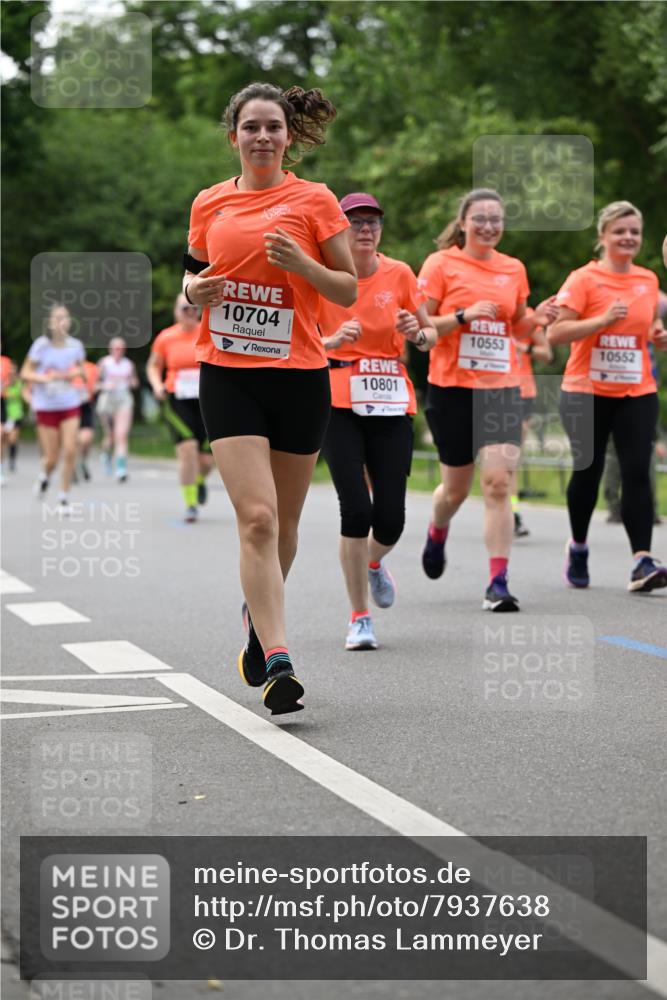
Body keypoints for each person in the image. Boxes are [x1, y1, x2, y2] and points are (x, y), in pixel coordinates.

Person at [183, 82, 356, 714]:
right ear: (234, 136)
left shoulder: (314, 200)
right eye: (251, 127)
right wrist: (193, 291)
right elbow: (192, 269)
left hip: (299, 374)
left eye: (274, 127)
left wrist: (303, 266)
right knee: (255, 518)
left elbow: (346, 290)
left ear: (289, 137)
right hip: (227, 371)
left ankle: (259, 624)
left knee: (284, 521)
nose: (263, 137)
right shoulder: (210, 203)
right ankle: (279, 660)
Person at [418, 188, 553, 611]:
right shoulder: (440, 264)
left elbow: (517, 328)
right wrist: (463, 316)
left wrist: (539, 319)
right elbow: (421, 328)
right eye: (481, 218)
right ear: (463, 222)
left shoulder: (514, 269)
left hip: (502, 389)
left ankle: (498, 581)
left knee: (497, 483)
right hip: (452, 388)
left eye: (497, 219)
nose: (489, 226)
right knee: (455, 491)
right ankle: (438, 529)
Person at [318, 192, 436, 650]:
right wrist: (331, 339)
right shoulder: (325, 275)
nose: (365, 230)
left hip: (390, 399)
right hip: (338, 399)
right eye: (356, 222)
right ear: (340, 229)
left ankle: (372, 562)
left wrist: (416, 333)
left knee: (390, 520)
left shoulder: (400, 273)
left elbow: (428, 335)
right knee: (355, 510)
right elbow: (302, 334)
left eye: (373, 222)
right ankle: (359, 616)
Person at [549, 200, 667, 592]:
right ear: (602, 237)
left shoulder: (648, 280)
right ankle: (579, 546)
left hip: (637, 388)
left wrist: (658, 335)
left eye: (635, 231)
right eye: (620, 231)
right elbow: (556, 333)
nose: (628, 237)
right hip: (586, 390)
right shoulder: (583, 279)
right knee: (589, 470)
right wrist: (601, 321)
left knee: (638, 472)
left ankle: (641, 561)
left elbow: (646, 327)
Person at [146, 293, 213, 523]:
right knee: (188, 449)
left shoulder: (208, 330)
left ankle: (199, 480)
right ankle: (191, 503)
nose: (189, 312)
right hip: (177, 398)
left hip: (207, 399)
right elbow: (153, 367)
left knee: (206, 460)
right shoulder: (166, 337)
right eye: (184, 308)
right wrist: (157, 385)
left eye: (192, 308)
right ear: (176, 311)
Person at [20, 303, 86, 512]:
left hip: (69, 403)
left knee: (70, 450)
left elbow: (83, 372)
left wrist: (72, 375)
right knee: (52, 458)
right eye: (57, 318)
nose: (62, 322)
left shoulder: (75, 345)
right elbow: (25, 373)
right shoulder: (40, 345)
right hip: (46, 406)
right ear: (50, 322)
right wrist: (45, 377)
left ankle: (63, 498)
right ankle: (44, 476)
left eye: (65, 318)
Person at [511, 301, 556, 536]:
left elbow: (547, 353)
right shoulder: (485, 311)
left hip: (522, 392)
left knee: (511, 456)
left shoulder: (529, 317)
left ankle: (513, 513)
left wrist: (523, 348)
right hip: (487, 389)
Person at [96, 337, 138, 482]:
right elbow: (94, 384)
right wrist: (105, 386)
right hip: (107, 399)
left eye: (121, 348)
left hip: (123, 399)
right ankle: (106, 456)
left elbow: (134, 382)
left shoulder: (128, 364)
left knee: (121, 435)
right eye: (115, 348)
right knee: (110, 436)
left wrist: (131, 382)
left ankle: (121, 469)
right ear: (110, 349)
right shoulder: (104, 363)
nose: (118, 351)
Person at [72, 358, 99, 481]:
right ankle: (72, 467)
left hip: (85, 406)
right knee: (72, 439)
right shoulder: (64, 367)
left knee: (86, 439)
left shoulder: (91, 367)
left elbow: (97, 385)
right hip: (69, 407)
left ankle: (82, 461)